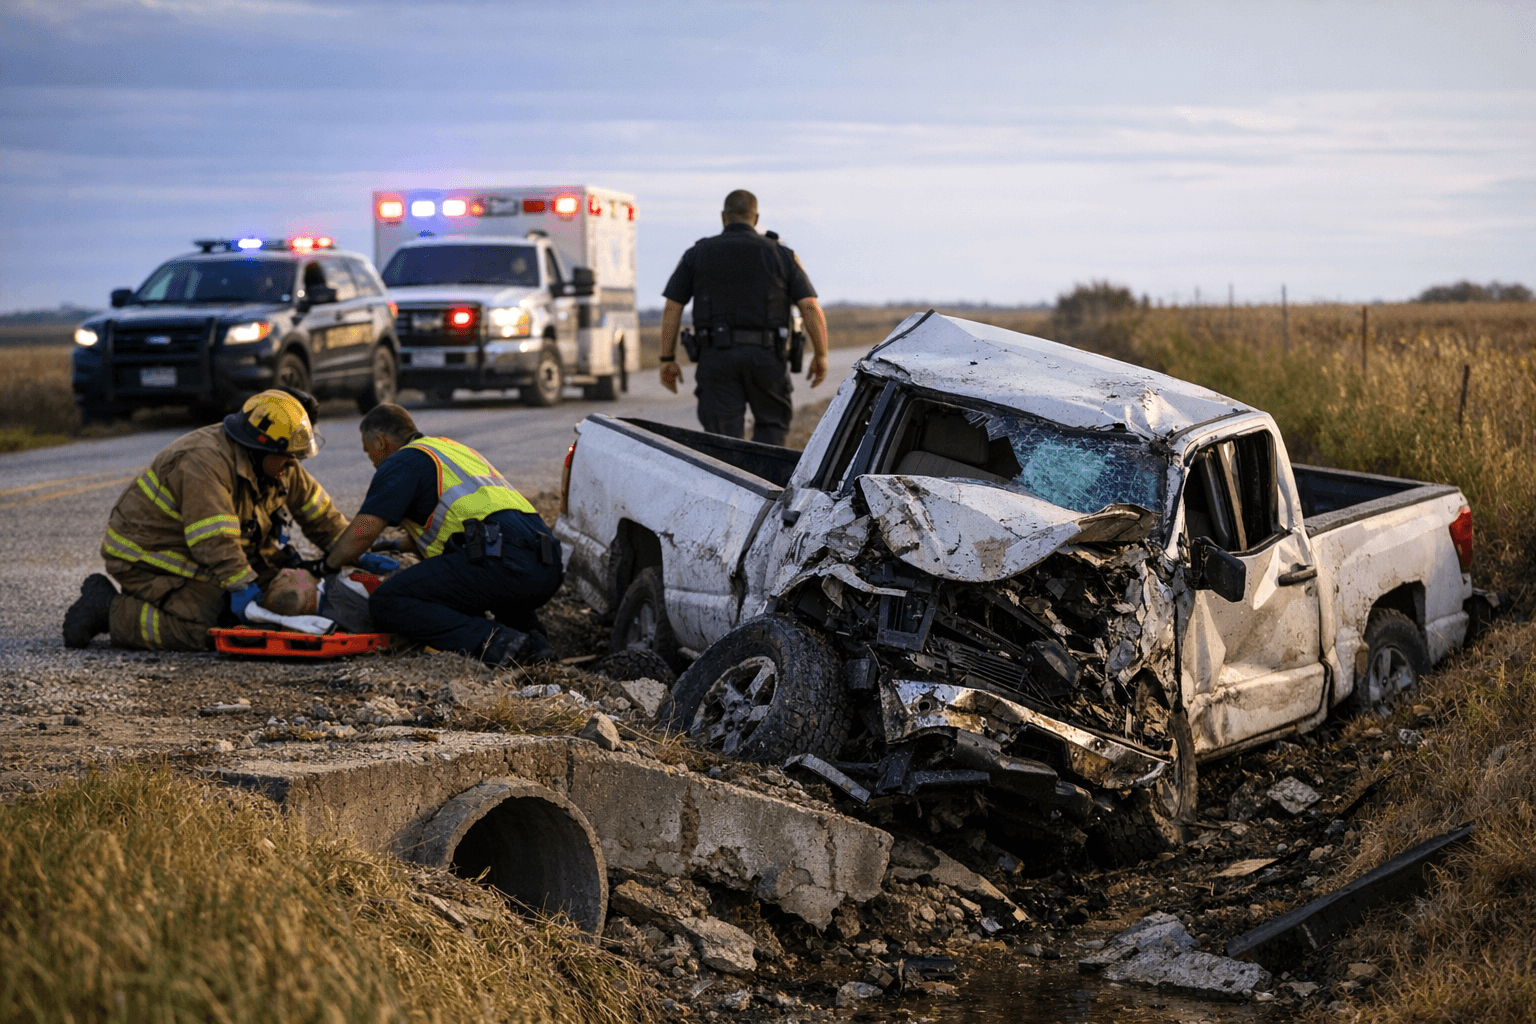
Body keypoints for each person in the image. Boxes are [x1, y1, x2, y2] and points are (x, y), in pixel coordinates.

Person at [62, 389, 350, 651]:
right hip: (150, 557)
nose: (294, 464)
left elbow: (324, 518)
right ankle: (108, 610)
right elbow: (213, 540)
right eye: (288, 458)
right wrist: (241, 585)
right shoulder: (204, 461)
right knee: (212, 628)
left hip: (202, 554)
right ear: (262, 448)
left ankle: (176, 602)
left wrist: (358, 550)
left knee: (284, 600)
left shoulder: (278, 464)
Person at [316, 403, 561, 666]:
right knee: (482, 581)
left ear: (380, 442)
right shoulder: (451, 451)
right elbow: (464, 525)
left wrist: (327, 565)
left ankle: (502, 644)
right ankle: (535, 643)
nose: (373, 462)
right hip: (545, 563)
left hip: (502, 562)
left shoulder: (402, 461)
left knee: (388, 600)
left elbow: (362, 533)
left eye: (369, 452)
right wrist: (393, 545)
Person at [658, 189, 830, 446]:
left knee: (722, 443)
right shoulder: (782, 254)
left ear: (723, 217)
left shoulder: (697, 254)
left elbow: (673, 308)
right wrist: (821, 355)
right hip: (767, 359)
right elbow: (809, 307)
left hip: (716, 359)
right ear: (756, 218)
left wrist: (667, 359)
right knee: (771, 437)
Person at [262, 564, 385, 634]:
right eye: (280, 580)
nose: (284, 571)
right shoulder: (348, 585)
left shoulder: (333, 620)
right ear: (301, 593)